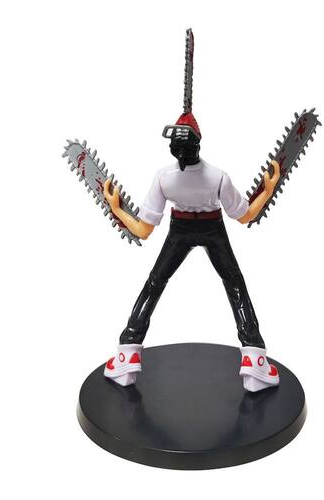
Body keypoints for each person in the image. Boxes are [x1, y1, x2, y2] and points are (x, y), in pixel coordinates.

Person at [102, 112, 280, 392]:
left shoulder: (165, 178)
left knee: (155, 283)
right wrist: (267, 191)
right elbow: (244, 216)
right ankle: (254, 358)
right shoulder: (217, 177)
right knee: (234, 283)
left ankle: (128, 352)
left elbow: (143, 230)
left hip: (180, 230)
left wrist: (116, 209)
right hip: (212, 228)